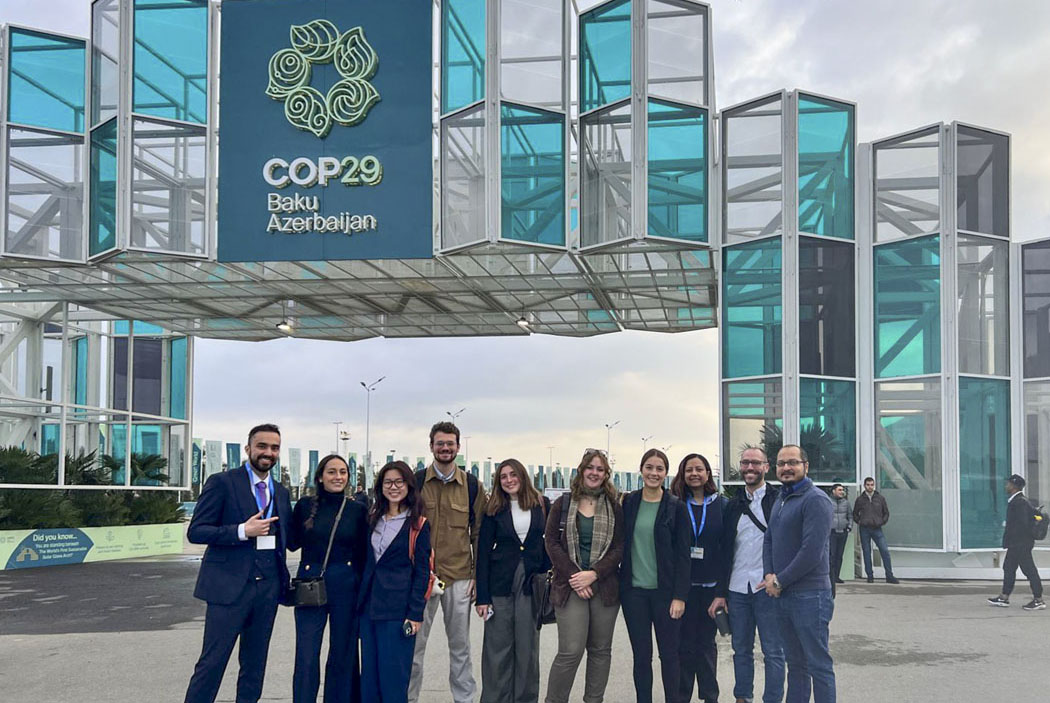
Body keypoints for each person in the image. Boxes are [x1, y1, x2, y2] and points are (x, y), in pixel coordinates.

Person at [184, 423, 293, 703]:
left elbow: (290, 537)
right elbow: (197, 531)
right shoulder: (223, 482)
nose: (268, 452)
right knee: (212, 663)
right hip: (228, 590)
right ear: (248, 449)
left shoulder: (280, 492)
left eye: (274, 447)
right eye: (262, 446)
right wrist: (242, 530)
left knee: (255, 666)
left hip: (267, 590)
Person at [408, 422, 487, 703]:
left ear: (458, 447)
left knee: (461, 648)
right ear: (431, 446)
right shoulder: (415, 483)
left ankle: (464, 699)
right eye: (440, 443)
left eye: (450, 444)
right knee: (414, 647)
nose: (445, 448)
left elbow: (478, 533)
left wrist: (478, 575)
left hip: (459, 577)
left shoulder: (472, 486)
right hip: (421, 578)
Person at [543, 449, 625, 703]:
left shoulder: (614, 505)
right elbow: (551, 543)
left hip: (605, 587)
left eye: (600, 469)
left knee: (600, 651)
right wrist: (576, 576)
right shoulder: (563, 503)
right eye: (590, 468)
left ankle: (593, 700)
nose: (595, 473)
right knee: (570, 651)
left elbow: (620, 546)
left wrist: (594, 574)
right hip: (570, 586)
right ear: (582, 471)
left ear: (606, 474)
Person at [289, 454, 368, 703]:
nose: (338, 477)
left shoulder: (358, 509)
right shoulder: (304, 505)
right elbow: (291, 543)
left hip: (345, 585)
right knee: (306, 654)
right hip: (309, 585)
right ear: (321, 477)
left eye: (343, 472)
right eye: (332, 472)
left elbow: (364, 555)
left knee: (342, 653)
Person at [763, 445, 836, 703]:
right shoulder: (782, 499)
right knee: (795, 664)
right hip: (783, 595)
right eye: (781, 463)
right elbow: (769, 539)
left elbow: (811, 553)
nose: (786, 468)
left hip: (811, 596)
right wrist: (769, 575)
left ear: (806, 466)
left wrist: (779, 580)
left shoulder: (816, 500)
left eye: (792, 462)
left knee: (818, 665)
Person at [475, 459, 551, 703]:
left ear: (522, 476)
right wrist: (482, 598)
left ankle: (525, 699)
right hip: (500, 585)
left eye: (513, 474)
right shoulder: (493, 509)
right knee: (498, 649)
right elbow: (483, 554)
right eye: (503, 476)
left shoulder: (541, 504)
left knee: (528, 648)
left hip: (531, 584)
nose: (508, 480)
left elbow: (547, 542)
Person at [620, 448, 691, 703]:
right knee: (641, 657)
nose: (654, 473)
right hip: (633, 594)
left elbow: (684, 556)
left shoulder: (676, 507)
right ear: (641, 470)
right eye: (649, 467)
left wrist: (680, 596)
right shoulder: (629, 502)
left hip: (666, 594)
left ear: (666, 473)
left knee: (670, 655)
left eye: (659, 468)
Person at [358, 461, 432, 703]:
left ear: (409, 486)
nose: (394, 487)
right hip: (369, 609)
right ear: (380, 487)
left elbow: (422, 572)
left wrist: (415, 613)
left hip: (398, 612)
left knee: (394, 679)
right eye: (388, 482)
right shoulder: (372, 519)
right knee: (369, 678)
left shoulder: (418, 524)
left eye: (399, 482)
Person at [723, 447, 784, 703]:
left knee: (773, 652)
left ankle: (772, 699)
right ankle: (742, 697)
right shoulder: (733, 504)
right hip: (737, 588)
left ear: (766, 467)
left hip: (768, 588)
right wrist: (720, 591)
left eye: (755, 463)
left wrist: (780, 578)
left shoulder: (779, 499)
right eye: (745, 463)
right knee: (741, 650)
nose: (749, 468)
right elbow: (724, 549)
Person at [669, 453, 728, 703]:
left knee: (706, 645)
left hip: (710, 589)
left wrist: (721, 592)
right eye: (689, 469)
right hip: (681, 590)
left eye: (699, 469)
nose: (694, 474)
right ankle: (682, 696)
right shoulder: (673, 504)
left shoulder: (721, 505)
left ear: (707, 474)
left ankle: (710, 696)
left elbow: (727, 551)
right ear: (682, 474)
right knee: (683, 646)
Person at [987, 474, 1045, 610]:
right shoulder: (1017, 501)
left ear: (1014, 486)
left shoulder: (1020, 502)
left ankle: (1038, 599)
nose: (1006, 486)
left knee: (1029, 570)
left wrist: (1014, 539)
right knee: (1009, 568)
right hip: (1016, 543)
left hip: (1020, 544)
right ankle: (1004, 597)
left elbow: (1022, 524)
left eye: (1008, 484)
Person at [852, 477, 899, 584]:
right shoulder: (860, 499)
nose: (870, 486)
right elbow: (855, 513)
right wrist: (860, 521)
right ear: (864, 485)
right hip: (864, 528)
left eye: (872, 484)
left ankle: (889, 575)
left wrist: (882, 522)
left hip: (877, 528)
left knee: (885, 551)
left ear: (874, 485)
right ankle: (870, 576)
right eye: (868, 484)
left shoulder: (880, 498)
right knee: (867, 553)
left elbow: (886, 512)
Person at [828, 484, 852, 586]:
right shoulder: (828, 501)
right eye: (839, 490)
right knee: (831, 555)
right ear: (834, 491)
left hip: (843, 532)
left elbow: (850, 515)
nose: (842, 492)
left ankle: (837, 576)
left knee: (839, 555)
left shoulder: (846, 503)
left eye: (842, 490)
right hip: (831, 532)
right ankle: (831, 577)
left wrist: (849, 527)